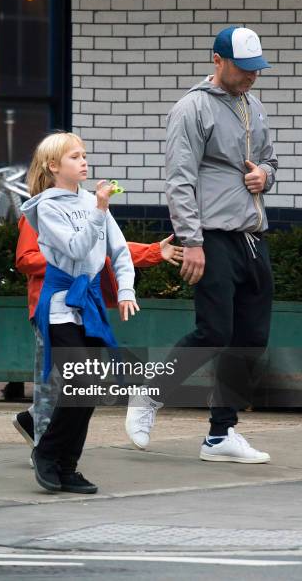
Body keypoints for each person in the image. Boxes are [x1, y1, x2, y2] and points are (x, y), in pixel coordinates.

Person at [125, 26, 277, 463]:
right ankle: (151, 394)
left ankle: (220, 435)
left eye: (256, 69)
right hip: (210, 236)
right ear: (218, 60)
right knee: (214, 331)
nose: (251, 77)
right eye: (243, 68)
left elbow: (270, 161)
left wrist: (265, 176)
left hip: (252, 237)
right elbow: (180, 180)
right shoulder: (191, 109)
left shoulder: (255, 108)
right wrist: (191, 240)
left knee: (251, 338)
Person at [20, 131, 140, 494]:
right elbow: (76, 248)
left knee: (88, 391)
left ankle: (67, 466)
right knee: (81, 384)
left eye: (84, 155)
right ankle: (47, 454)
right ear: (54, 166)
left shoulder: (93, 201)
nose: (84, 161)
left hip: (88, 307)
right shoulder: (46, 207)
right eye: (75, 156)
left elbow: (118, 252)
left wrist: (126, 290)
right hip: (58, 308)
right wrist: (99, 210)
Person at [13, 215, 183, 454]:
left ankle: (34, 424)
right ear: (53, 175)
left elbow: (108, 252)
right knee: (53, 382)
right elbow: (25, 259)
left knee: (78, 381)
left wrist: (153, 251)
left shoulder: (85, 210)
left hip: (86, 306)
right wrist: (73, 258)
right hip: (50, 306)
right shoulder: (38, 213)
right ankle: (43, 447)